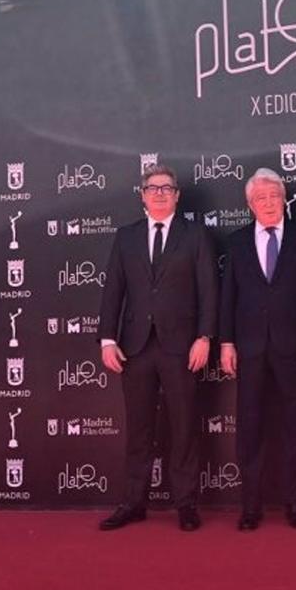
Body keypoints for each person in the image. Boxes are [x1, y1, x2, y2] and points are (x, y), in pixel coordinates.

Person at [97, 163, 218, 532]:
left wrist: (204, 337)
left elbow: (209, 290)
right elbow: (113, 290)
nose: (160, 193)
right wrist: (106, 338)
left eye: (167, 187)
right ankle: (133, 502)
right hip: (134, 347)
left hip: (182, 346)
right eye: (153, 187)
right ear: (143, 195)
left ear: (177, 195)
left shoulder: (195, 235)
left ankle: (186, 504)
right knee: (138, 429)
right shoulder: (126, 237)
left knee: (183, 427)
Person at [219, 168, 296, 531]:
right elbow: (227, 295)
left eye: (273, 196)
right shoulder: (236, 242)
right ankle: (251, 505)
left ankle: (295, 503)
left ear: (284, 199)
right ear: (250, 205)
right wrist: (227, 342)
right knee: (250, 426)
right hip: (249, 347)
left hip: (293, 345)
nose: (267, 203)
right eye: (260, 198)